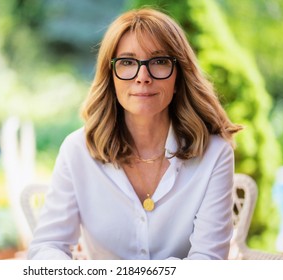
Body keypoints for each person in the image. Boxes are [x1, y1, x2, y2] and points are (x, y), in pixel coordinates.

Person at [28, 7, 242, 260]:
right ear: (111, 77)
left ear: (179, 76)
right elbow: (47, 247)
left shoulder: (215, 153)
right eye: (127, 62)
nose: (143, 77)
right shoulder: (77, 150)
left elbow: (208, 261)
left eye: (159, 62)